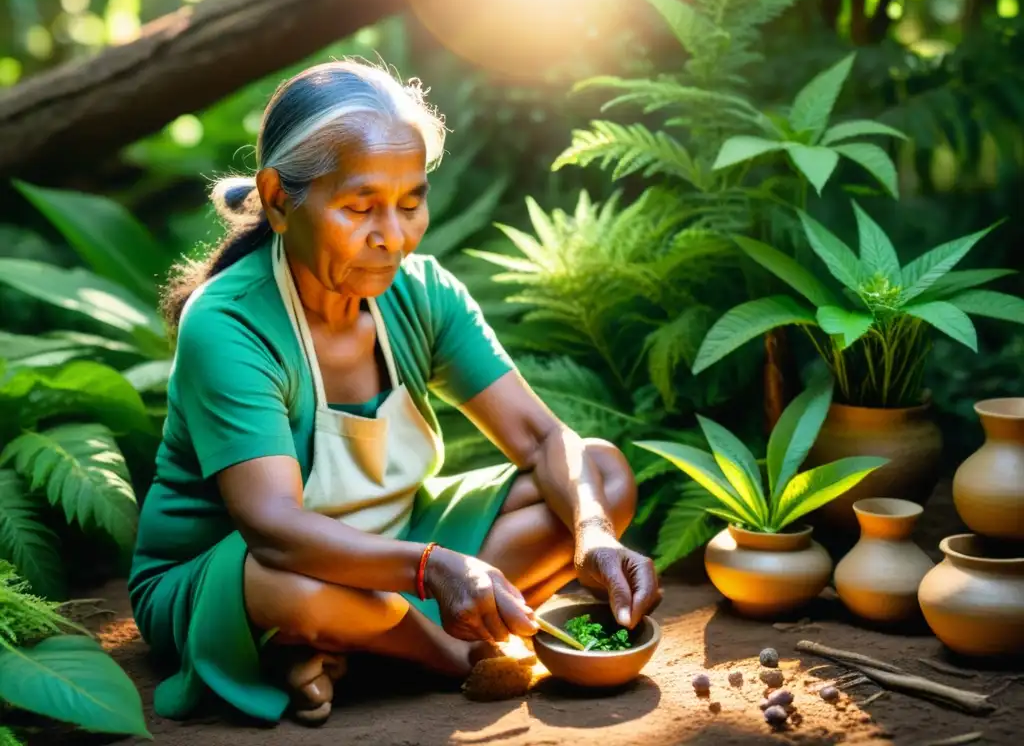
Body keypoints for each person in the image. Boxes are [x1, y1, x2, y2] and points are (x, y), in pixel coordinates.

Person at [128, 59, 661, 727]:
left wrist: (593, 535)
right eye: (361, 206)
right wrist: (433, 568)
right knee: (288, 587)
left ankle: (349, 643)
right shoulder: (228, 323)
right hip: (233, 574)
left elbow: (544, 438)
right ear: (278, 199)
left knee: (599, 474)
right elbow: (274, 532)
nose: (394, 235)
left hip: (392, 543)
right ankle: (445, 654)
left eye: (411, 202)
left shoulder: (423, 293)